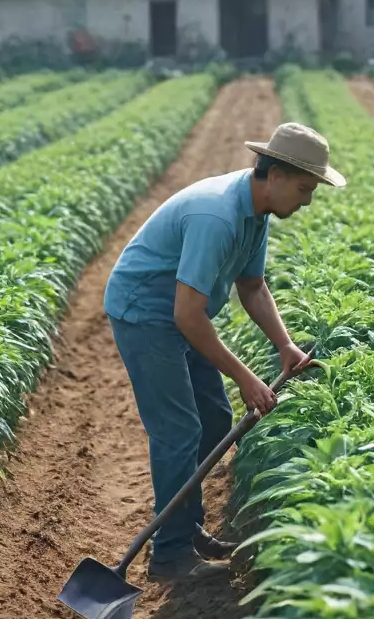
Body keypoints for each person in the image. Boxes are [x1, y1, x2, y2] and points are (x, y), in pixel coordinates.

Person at [103, 121, 346, 580]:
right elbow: (187, 316)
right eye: (304, 187)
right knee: (178, 430)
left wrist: (285, 345)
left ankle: (188, 527)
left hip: (180, 313)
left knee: (214, 420)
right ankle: (170, 554)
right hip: (146, 315)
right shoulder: (217, 216)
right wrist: (244, 377)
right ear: (273, 175)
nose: (308, 199)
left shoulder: (256, 213)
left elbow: (252, 287)